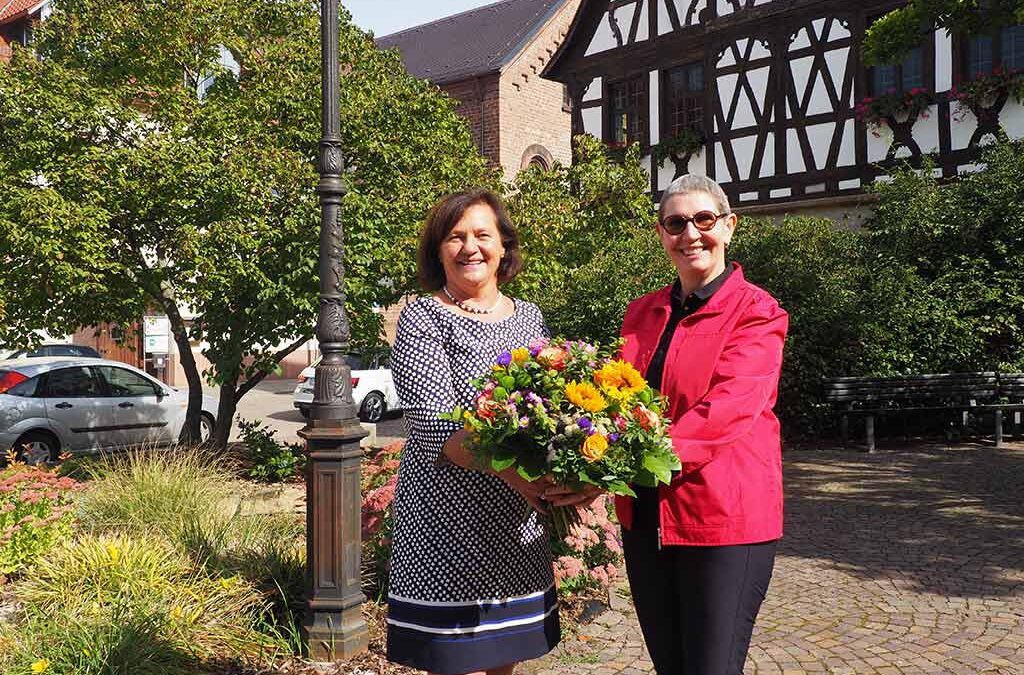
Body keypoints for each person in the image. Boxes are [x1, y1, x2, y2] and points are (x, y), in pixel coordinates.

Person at [385, 188, 590, 675]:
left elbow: (549, 410)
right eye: (454, 237)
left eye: (482, 234)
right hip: (447, 522)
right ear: (439, 251)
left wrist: (570, 470)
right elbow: (435, 429)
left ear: (503, 247)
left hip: (515, 527)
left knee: (504, 659)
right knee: (457, 662)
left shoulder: (530, 317)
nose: (469, 247)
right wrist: (521, 477)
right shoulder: (422, 316)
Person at [617, 174, 789, 675]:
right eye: (676, 223)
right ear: (661, 234)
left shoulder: (757, 312)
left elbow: (729, 408)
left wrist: (632, 456)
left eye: (703, 220)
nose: (690, 233)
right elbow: (621, 399)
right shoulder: (642, 312)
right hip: (646, 515)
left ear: (729, 226)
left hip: (723, 516)